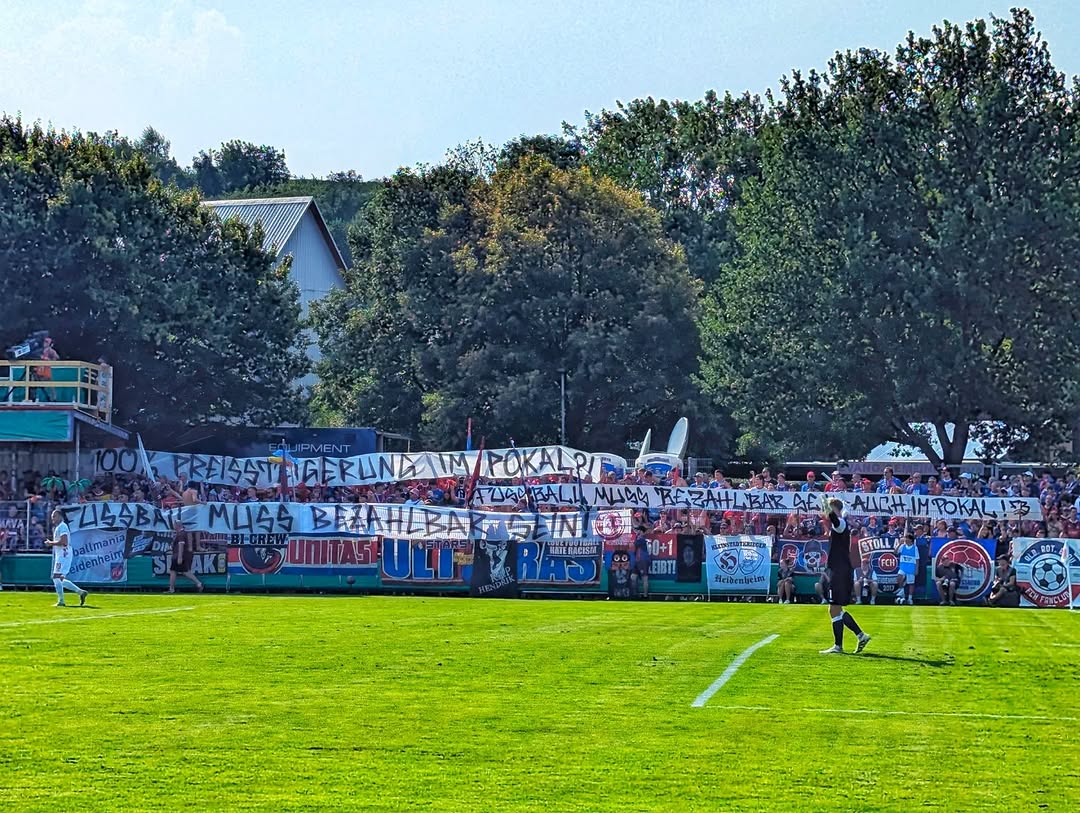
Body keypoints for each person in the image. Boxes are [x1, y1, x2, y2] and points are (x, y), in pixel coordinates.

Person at [819, 499, 871, 654]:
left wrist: (826, 505)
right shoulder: (841, 523)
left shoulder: (840, 524)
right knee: (835, 609)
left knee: (834, 608)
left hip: (839, 571)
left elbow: (834, 519)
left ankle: (840, 645)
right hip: (838, 569)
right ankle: (860, 636)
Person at [43, 509, 87, 607]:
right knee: (60, 579)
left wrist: (51, 543)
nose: (52, 518)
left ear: (60, 516)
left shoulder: (62, 526)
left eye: (54, 516)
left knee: (56, 577)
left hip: (63, 554)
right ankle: (80, 592)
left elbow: (64, 542)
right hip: (63, 554)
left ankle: (61, 601)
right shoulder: (60, 527)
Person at [167, 520, 204, 594]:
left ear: (177, 525)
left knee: (174, 571)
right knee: (184, 571)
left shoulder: (181, 534)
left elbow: (181, 545)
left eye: (174, 525)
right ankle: (199, 584)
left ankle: (172, 589)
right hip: (180, 555)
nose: (173, 526)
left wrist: (179, 557)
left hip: (179, 555)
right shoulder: (182, 533)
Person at [894, 533, 919, 605]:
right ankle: (902, 591)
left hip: (911, 568)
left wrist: (916, 569)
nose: (905, 539)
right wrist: (899, 544)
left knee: (911, 583)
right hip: (903, 567)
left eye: (907, 538)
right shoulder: (902, 546)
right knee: (899, 577)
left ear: (911, 540)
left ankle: (910, 598)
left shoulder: (915, 548)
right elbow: (895, 552)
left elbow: (917, 560)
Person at [631, 533, 650, 599]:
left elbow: (634, 543)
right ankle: (635, 594)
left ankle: (645, 595)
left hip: (643, 560)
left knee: (645, 578)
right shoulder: (640, 540)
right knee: (633, 577)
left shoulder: (642, 540)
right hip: (637, 560)